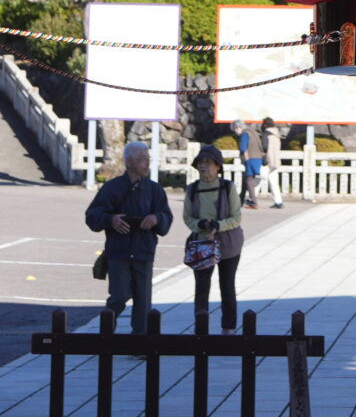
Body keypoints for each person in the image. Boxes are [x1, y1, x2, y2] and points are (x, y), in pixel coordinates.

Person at [84, 138, 170, 326]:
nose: (146, 163)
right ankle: (107, 335)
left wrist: (156, 218)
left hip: (144, 250)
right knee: (119, 296)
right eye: (141, 159)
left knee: (143, 301)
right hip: (119, 251)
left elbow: (166, 215)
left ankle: (140, 343)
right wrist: (111, 220)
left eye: (148, 159)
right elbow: (92, 215)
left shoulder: (155, 190)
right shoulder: (112, 188)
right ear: (128, 162)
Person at [183, 145, 245, 331]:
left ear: (218, 166)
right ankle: (201, 329)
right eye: (200, 163)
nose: (204, 167)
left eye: (208, 163)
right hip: (202, 244)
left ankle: (229, 328)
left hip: (228, 243)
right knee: (201, 288)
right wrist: (201, 225)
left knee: (227, 286)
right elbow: (187, 217)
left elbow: (236, 217)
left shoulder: (227, 187)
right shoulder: (192, 190)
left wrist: (218, 225)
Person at [256, 117, 285, 209]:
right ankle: (278, 201)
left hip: (268, 161)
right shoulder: (276, 135)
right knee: (273, 182)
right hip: (276, 161)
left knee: (258, 178)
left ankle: (252, 199)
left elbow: (264, 147)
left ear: (265, 125)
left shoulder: (266, 134)